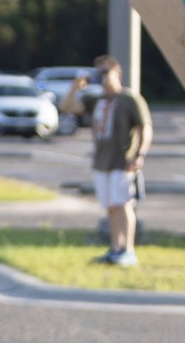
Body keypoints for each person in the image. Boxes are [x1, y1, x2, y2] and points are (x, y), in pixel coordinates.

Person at [60, 55, 152, 266]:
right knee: (110, 206)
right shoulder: (97, 100)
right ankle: (115, 247)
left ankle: (128, 250)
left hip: (123, 161)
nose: (101, 78)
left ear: (117, 74)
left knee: (123, 204)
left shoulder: (129, 99)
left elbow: (144, 127)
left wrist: (140, 154)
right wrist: (76, 86)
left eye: (105, 73)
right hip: (102, 162)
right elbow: (66, 106)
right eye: (98, 73)